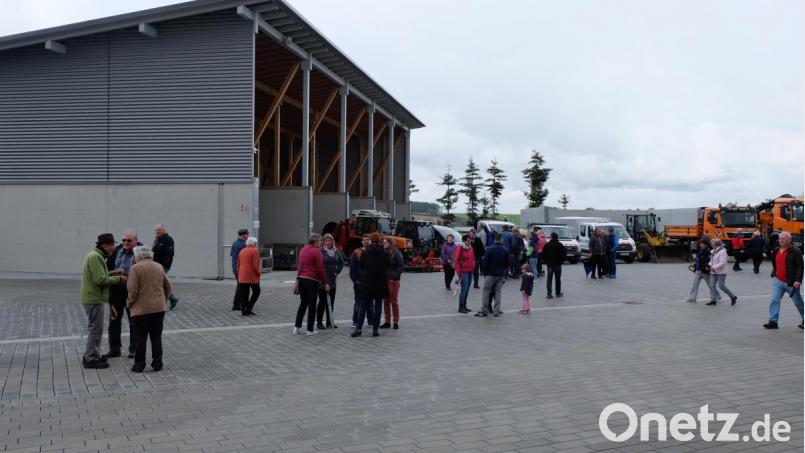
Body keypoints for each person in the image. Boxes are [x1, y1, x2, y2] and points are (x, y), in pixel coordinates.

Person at [80, 234, 124, 369]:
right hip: (94, 298)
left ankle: (92, 354)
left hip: (93, 297)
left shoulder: (96, 255)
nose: (114, 248)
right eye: (112, 245)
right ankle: (91, 358)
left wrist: (113, 273)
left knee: (95, 328)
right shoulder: (96, 257)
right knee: (95, 329)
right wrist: (119, 279)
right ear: (105, 246)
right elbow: (100, 280)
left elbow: (101, 275)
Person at [127, 246, 171, 373]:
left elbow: (132, 290)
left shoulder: (135, 268)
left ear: (138, 256)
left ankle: (139, 365)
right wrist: (163, 300)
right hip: (158, 308)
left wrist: (129, 304)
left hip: (141, 309)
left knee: (141, 338)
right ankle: (158, 363)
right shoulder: (158, 266)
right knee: (156, 337)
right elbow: (167, 286)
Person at [105, 230, 140, 359]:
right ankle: (114, 349)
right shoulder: (116, 250)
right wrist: (115, 274)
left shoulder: (141, 252)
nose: (125, 243)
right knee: (114, 320)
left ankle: (134, 349)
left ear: (135, 241)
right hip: (116, 292)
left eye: (129, 240)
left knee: (134, 321)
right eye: (124, 240)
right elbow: (107, 268)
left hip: (132, 293)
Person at [763, 232, 804, 330]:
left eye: (783, 238)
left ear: (789, 240)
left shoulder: (796, 251)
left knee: (798, 302)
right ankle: (773, 322)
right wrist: (774, 272)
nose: (781, 240)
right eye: (780, 238)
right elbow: (775, 263)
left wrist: (798, 280)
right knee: (774, 300)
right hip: (778, 280)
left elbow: (800, 267)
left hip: (791, 282)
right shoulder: (776, 250)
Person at [354, 234, 390, 338]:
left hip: (367, 282)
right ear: (379, 241)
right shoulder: (384, 252)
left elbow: (361, 265)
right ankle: (375, 329)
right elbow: (389, 265)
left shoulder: (365, 252)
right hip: (380, 282)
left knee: (363, 305)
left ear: (370, 241)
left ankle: (359, 328)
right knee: (378, 305)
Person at [293, 234, 329, 336]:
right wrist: (325, 282)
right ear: (315, 241)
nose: (321, 243)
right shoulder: (316, 251)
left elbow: (300, 265)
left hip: (302, 279)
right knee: (312, 305)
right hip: (312, 280)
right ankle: (310, 329)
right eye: (320, 241)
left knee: (303, 303)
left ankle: (297, 327)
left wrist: (298, 277)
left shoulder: (303, 249)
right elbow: (320, 269)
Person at [476, 233, 510, 317]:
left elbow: (485, 262)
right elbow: (507, 263)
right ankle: (496, 310)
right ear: (501, 239)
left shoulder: (489, 249)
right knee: (498, 292)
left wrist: (485, 272)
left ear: (495, 239)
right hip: (500, 274)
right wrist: (503, 270)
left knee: (486, 292)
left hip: (490, 274)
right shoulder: (505, 250)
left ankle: (485, 310)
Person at [316, 234, 344, 330]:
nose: (327, 243)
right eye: (325, 241)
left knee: (331, 302)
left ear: (332, 241)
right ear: (322, 242)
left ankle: (329, 321)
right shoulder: (320, 251)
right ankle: (319, 322)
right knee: (322, 302)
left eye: (329, 241)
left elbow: (341, 262)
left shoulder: (336, 251)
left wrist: (337, 272)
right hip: (322, 280)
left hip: (332, 280)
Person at [152, 224, 177, 309]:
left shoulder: (168, 239)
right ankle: (172, 298)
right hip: (156, 265)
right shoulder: (157, 239)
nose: (157, 231)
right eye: (156, 230)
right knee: (162, 282)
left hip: (163, 266)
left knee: (160, 283)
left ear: (164, 230)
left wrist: (162, 266)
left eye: (159, 229)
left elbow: (169, 254)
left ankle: (166, 300)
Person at [381, 238, 404, 329]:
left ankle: (395, 321)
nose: (384, 244)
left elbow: (401, 266)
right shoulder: (383, 252)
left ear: (390, 243)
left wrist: (395, 277)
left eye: (385, 242)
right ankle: (387, 321)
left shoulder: (397, 253)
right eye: (383, 243)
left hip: (393, 280)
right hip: (385, 280)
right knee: (386, 301)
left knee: (393, 301)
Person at [707, 238, 738, 306]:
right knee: (711, 286)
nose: (711, 244)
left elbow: (723, 262)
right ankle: (713, 300)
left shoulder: (722, 251)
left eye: (713, 243)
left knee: (721, 286)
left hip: (721, 272)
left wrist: (714, 267)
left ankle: (733, 297)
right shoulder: (712, 251)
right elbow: (712, 261)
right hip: (713, 272)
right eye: (711, 243)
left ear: (717, 244)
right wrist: (709, 265)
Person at [350, 235, 372, 328]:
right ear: (362, 242)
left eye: (368, 240)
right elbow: (352, 269)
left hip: (370, 282)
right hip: (359, 282)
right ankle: (355, 321)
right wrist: (355, 281)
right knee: (358, 302)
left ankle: (371, 321)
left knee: (371, 303)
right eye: (364, 240)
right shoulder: (356, 252)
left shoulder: (373, 252)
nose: (366, 241)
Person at [236, 237, 261, 317]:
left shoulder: (242, 251)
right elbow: (255, 264)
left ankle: (244, 310)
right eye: (255, 243)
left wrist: (238, 273)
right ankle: (249, 308)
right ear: (253, 244)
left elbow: (238, 264)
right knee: (257, 291)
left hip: (242, 275)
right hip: (251, 275)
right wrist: (259, 273)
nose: (256, 245)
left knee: (244, 294)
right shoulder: (254, 251)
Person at [686, 239, 715, 303]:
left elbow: (708, 262)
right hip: (698, 271)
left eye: (702, 244)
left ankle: (716, 296)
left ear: (706, 244)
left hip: (705, 272)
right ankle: (692, 298)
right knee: (695, 285)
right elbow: (698, 260)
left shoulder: (708, 252)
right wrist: (695, 265)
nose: (700, 245)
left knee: (710, 285)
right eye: (700, 244)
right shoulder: (700, 250)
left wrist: (701, 270)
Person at [455, 234, 476, 314]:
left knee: (467, 289)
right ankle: (461, 307)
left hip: (470, 271)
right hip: (463, 271)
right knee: (464, 289)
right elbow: (456, 261)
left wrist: (473, 266)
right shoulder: (460, 248)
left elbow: (473, 258)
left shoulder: (471, 248)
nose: (470, 241)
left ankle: (464, 305)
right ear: (464, 241)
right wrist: (459, 272)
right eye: (468, 240)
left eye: (470, 240)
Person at [542, 232, 566, 298]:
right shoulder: (560, 245)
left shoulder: (547, 245)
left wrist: (546, 261)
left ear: (551, 237)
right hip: (558, 265)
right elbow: (564, 255)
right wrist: (561, 262)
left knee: (549, 279)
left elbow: (543, 255)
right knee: (558, 279)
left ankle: (549, 293)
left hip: (550, 265)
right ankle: (558, 293)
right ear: (557, 237)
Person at [230, 228, 249, 311]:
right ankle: (236, 304)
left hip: (235, 268)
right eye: (247, 234)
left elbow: (232, 255)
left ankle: (239, 303)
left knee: (240, 286)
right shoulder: (243, 245)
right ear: (243, 235)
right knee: (241, 287)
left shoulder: (234, 243)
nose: (248, 235)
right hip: (240, 269)